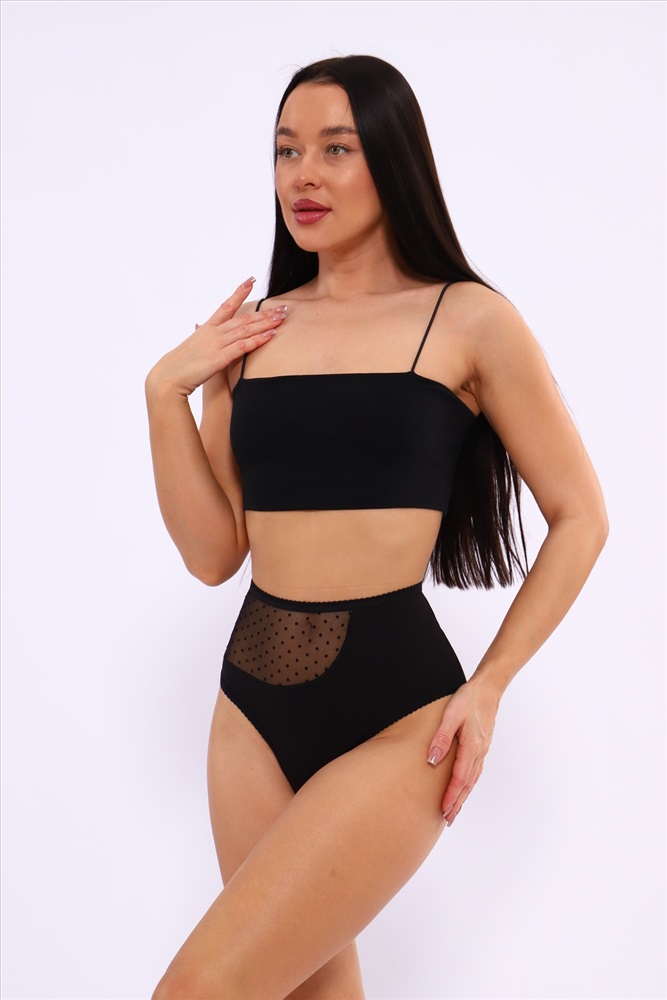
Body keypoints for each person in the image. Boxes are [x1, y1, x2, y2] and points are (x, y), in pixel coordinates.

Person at [146, 55, 608, 1000]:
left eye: (335, 148)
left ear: (392, 159)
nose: (302, 176)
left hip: (400, 713)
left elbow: (580, 517)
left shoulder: (468, 321)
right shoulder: (254, 334)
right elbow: (212, 555)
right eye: (285, 151)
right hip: (249, 709)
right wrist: (164, 394)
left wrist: (489, 685)